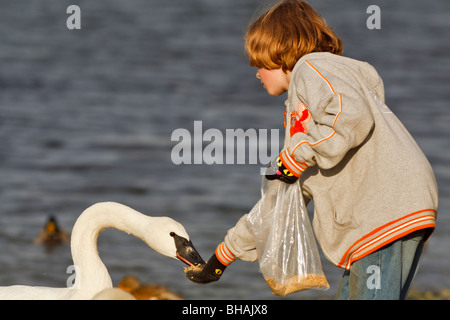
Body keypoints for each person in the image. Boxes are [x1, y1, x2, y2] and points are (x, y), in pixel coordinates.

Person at [185, 0, 438, 299]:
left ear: (279, 52)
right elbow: (279, 198)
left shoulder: (312, 68)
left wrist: (297, 154)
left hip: (385, 212)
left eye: (259, 65)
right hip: (387, 215)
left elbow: (352, 115)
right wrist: (222, 258)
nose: (256, 74)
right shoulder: (309, 121)